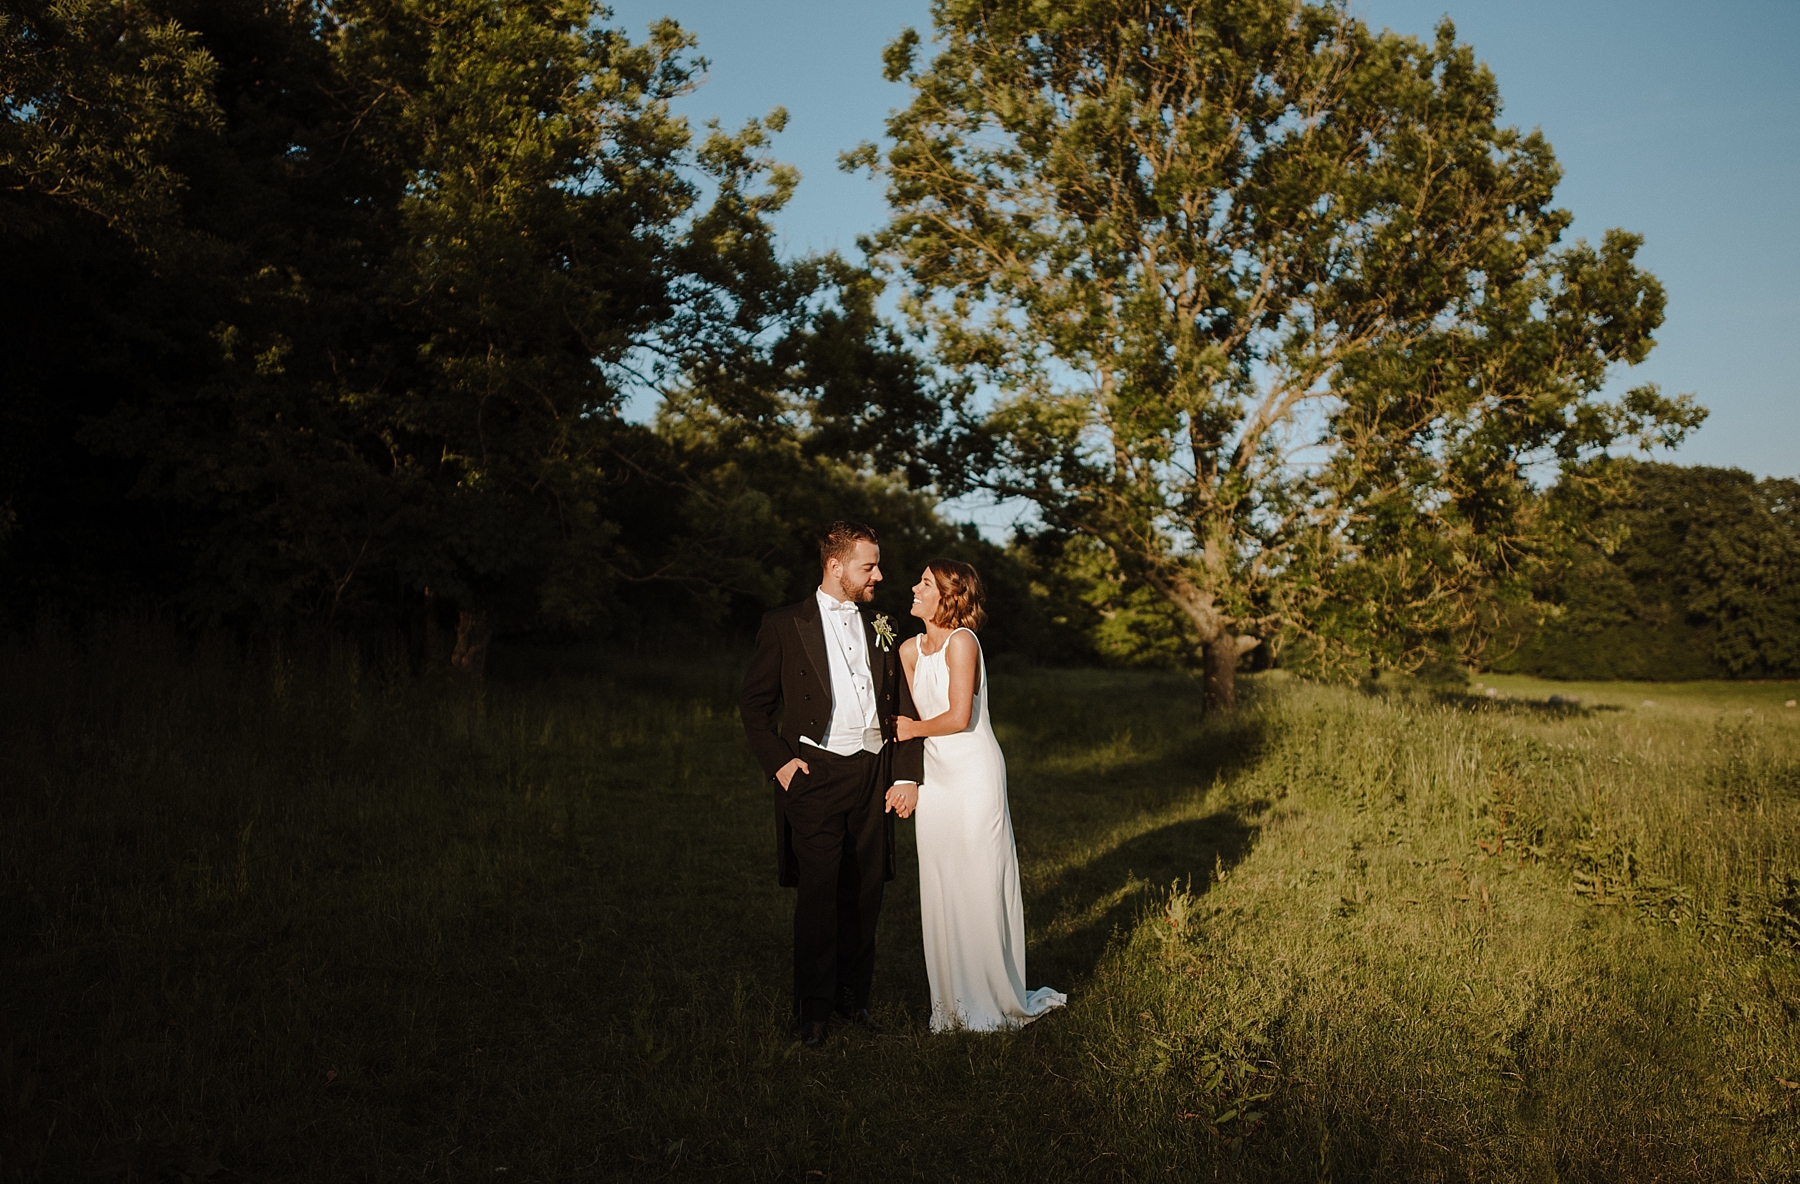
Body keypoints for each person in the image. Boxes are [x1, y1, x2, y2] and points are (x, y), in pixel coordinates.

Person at [739, 521, 924, 1047]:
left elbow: (903, 706)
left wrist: (906, 772)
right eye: (869, 566)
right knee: (819, 893)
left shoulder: (883, 621)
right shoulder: (783, 625)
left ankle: (853, 1000)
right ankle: (813, 1012)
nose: (879, 575)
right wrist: (780, 763)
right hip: (814, 774)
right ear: (835, 566)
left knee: (865, 892)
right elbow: (754, 706)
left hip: (873, 773)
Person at [896, 559, 1066, 1032]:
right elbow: (904, 706)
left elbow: (957, 716)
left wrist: (910, 729)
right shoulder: (908, 649)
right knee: (942, 884)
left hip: (972, 777)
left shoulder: (962, 642)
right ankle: (952, 1005)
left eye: (924, 582)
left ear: (948, 595)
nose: (914, 586)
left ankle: (992, 999)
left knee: (979, 883)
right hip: (935, 778)